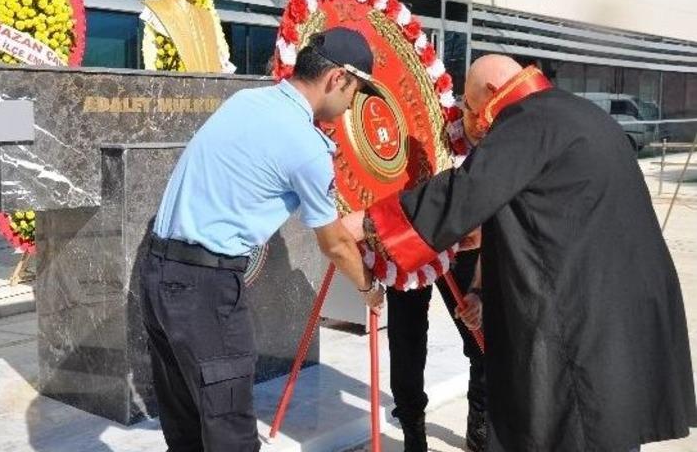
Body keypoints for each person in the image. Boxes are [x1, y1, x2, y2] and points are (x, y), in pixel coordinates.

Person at [344, 54, 697, 451]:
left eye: (472, 107)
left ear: (493, 93)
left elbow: (468, 191)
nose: (473, 121)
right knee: (608, 419)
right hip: (620, 300)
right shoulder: (572, 111)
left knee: (578, 425)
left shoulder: (527, 121)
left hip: (583, 310)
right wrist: (480, 290)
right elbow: (526, 218)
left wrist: (371, 222)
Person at [140, 27, 386, 451]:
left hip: (157, 274)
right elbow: (335, 244)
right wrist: (369, 288)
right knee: (229, 429)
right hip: (205, 289)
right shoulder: (307, 146)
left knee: (184, 424)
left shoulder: (246, 101)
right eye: (355, 93)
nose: (351, 107)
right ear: (337, 79)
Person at [387, 248, 486, 452]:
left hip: (460, 238)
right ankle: (413, 434)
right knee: (406, 346)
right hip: (407, 240)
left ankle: (480, 427)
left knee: (482, 339)